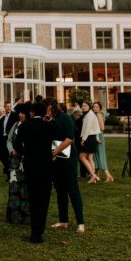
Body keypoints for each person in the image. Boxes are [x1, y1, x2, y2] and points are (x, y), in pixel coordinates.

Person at [15, 100, 54, 244]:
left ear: (32, 112)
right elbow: (58, 138)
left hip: (30, 164)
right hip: (46, 164)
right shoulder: (49, 126)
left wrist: (24, 153)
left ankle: (34, 231)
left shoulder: (25, 126)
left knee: (33, 197)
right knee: (44, 198)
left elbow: (17, 143)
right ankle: (40, 230)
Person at [48, 99, 85, 234]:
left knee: (72, 189)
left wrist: (56, 151)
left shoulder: (65, 118)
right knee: (60, 189)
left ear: (52, 107)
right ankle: (63, 220)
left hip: (67, 157)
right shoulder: (51, 120)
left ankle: (80, 222)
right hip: (57, 158)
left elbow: (69, 139)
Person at [5, 104, 30, 226]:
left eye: (23, 113)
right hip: (15, 161)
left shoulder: (30, 126)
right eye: (19, 113)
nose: (20, 115)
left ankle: (25, 216)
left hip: (26, 160)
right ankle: (14, 216)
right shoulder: (15, 125)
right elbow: (9, 139)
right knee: (14, 188)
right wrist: (11, 150)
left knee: (25, 189)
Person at [77, 102, 101, 183]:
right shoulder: (89, 114)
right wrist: (97, 138)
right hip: (91, 137)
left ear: (89, 107)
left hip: (89, 138)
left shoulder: (90, 115)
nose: (83, 107)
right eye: (82, 106)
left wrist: (83, 139)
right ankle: (93, 177)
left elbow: (88, 128)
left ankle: (93, 175)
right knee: (90, 158)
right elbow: (96, 127)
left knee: (82, 157)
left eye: (85, 106)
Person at [92, 102, 114, 183]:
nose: (95, 108)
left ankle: (108, 175)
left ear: (100, 108)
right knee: (96, 155)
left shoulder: (99, 115)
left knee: (100, 155)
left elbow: (102, 127)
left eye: (96, 107)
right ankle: (96, 175)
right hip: (95, 136)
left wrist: (94, 128)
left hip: (99, 136)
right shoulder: (95, 115)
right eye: (94, 107)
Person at [0, 103, 13, 178]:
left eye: (10, 106)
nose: (8, 108)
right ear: (5, 108)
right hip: (2, 139)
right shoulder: (3, 118)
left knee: (7, 155)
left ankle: (9, 172)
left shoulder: (13, 116)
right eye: (7, 107)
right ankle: (7, 168)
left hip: (9, 138)